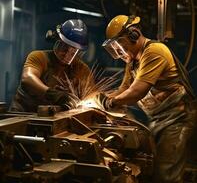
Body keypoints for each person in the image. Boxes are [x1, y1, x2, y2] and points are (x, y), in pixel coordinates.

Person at [101, 15, 197, 183]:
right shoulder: (132, 61)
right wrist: (101, 98)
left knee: (166, 175)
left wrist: (112, 102)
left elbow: (137, 92)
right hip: (159, 119)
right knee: (151, 164)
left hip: (178, 119)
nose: (118, 50)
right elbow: (124, 89)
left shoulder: (154, 51)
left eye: (119, 44)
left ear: (134, 34)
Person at [10, 19, 93, 112]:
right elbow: (27, 78)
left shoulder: (81, 69)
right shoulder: (39, 57)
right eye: (64, 47)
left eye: (73, 51)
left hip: (51, 116)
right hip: (23, 114)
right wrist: (52, 94)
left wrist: (106, 101)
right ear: (56, 39)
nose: (67, 55)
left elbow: (92, 95)